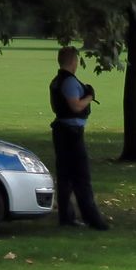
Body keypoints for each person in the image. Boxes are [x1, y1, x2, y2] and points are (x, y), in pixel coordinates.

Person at [49, 46, 109, 231]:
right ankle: (93, 219)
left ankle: (66, 217)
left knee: (65, 176)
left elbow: (55, 106)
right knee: (81, 176)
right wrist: (89, 97)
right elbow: (75, 106)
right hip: (72, 133)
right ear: (74, 61)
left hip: (61, 130)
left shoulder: (55, 81)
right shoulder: (69, 82)